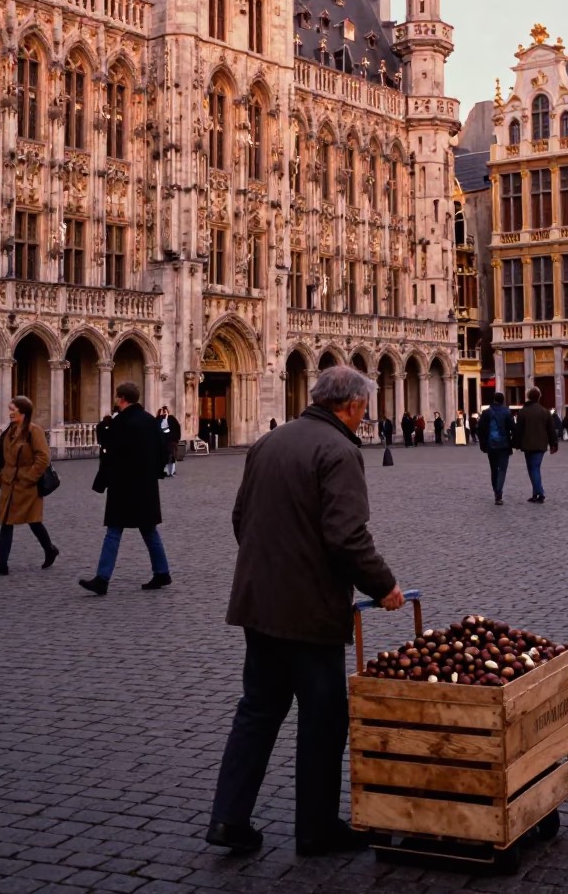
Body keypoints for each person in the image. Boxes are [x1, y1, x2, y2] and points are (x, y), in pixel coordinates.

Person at [207, 366, 404, 856]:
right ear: (353, 406)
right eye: (364, 409)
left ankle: (229, 818)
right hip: (309, 612)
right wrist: (384, 586)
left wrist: (269, 567)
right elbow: (346, 536)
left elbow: (241, 519)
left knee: (257, 710)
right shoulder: (339, 450)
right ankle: (315, 829)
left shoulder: (268, 443)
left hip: (259, 604)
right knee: (323, 719)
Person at [79, 382, 171, 596]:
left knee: (113, 530)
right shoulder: (150, 420)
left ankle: (102, 578)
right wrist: (156, 473)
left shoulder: (120, 423)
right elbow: (161, 450)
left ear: (121, 398)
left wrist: (101, 483)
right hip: (146, 486)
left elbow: (110, 454)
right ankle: (162, 571)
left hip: (123, 485)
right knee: (149, 529)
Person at [0, 397, 57, 576]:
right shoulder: (8, 432)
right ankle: (2, 564)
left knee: (33, 520)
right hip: (9, 484)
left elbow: (42, 458)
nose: (10, 413)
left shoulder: (35, 432)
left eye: (13, 410)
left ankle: (49, 549)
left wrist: (28, 477)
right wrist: (1, 476)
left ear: (23, 413)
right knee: (6, 522)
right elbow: (4, 457)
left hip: (27, 485)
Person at [513, 387, 558, 504]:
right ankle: (535, 493)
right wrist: (554, 444)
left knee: (532, 468)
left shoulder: (524, 411)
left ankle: (540, 493)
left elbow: (518, 429)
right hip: (541, 444)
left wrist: (516, 443)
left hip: (527, 444)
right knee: (535, 468)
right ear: (539, 397)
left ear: (528, 397)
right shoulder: (544, 411)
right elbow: (551, 430)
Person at [478, 393, 515, 505]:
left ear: (493, 400)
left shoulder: (486, 413)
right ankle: (499, 492)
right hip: (504, 445)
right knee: (502, 470)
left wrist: (483, 444)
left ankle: (496, 492)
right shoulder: (507, 412)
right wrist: (513, 442)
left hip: (491, 445)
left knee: (494, 469)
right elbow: (513, 428)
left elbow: (480, 430)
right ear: (503, 401)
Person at [159, 405, 182, 476]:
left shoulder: (171, 418)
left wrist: (176, 438)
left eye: (165, 411)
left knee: (172, 456)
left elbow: (177, 428)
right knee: (164, 456)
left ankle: (172, 471)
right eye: (163, 411)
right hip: (163, 440)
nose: (164, 412)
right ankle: (165, 471)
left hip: (171, 440)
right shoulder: (160, 419)